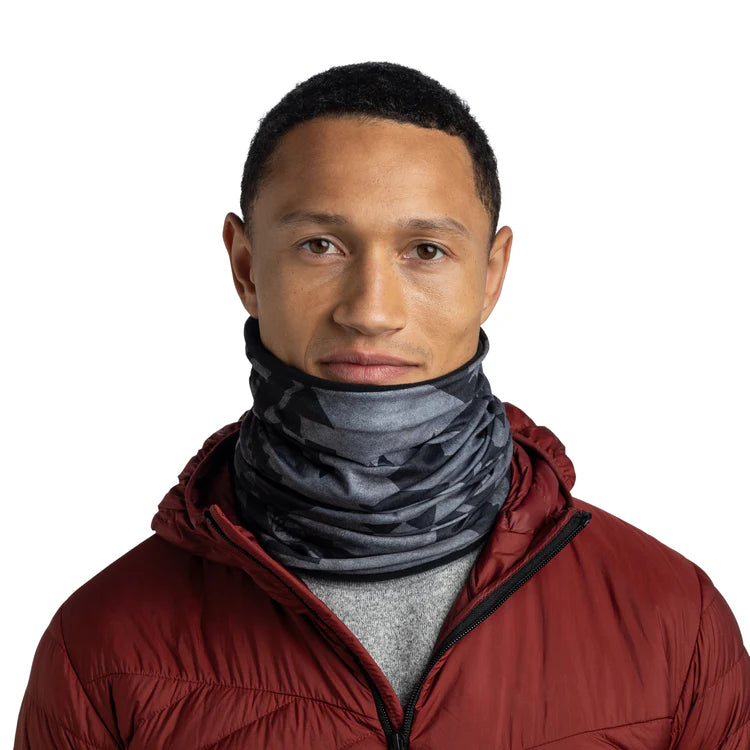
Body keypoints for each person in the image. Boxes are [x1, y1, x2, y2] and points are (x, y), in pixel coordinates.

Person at [14, 61, 749, 750]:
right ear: (245, 266)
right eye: (320, 245)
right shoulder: (103, 648)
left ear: (491, 274)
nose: (370, 312)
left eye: (425, 251)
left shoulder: (672, 622)